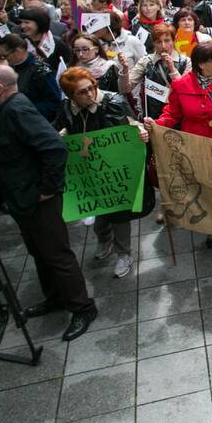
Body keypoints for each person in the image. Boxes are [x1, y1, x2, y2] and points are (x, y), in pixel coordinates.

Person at [0, 65, 96, 341]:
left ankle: (82, 308)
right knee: (40, 251)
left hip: (37, 199)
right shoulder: (9, 109)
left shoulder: (18, 111)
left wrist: (48, 189)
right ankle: (55, 297)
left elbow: (54, 148)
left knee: (56, 254)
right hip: (22, 198)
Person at [54, 67, 151, 279]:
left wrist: (140, 132)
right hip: (90, 170)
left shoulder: (114, 102)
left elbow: (131, 124)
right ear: (71, 96)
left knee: (119, 214)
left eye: (91, 88)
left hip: (116, 169)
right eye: (82, 92)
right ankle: (104, 240)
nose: (89, 94)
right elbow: (62, 129)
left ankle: (124, 253)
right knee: (100, 214)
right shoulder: (66, 108)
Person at [144, 42, 212, 252]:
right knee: (203, 190)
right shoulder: (181, 86)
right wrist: (157, 124)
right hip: (193, 147)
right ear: (200, 64)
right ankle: (210, 228)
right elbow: (172, 113)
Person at [0, 33, 63, 121]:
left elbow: (54, 103)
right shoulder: (12, 68)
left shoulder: (41, 71)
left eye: (5, 56)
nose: (4, 59)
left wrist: (25, 110)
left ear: (18, 51)